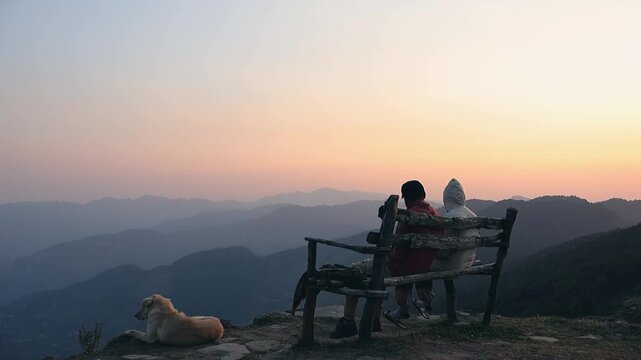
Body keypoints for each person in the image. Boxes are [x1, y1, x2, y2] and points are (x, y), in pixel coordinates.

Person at [330, 180, 442, 339]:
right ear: (423, 194)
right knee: (375, 274)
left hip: (401, 266)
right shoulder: (435, 215)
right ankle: (374, 320)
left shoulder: (410, 218)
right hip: (422, 266)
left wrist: (389, 255)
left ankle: (348, 323)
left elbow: (400, 254)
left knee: (353, 272)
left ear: (407, 198)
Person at [416, 178, 479, 313]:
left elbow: (445, 251)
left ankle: (425, 300)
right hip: (467, 260)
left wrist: (429, 252)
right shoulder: (472, 214)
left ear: (447, 199)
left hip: (453, 263)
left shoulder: (452, 217)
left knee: (420, 264)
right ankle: (427, 301)